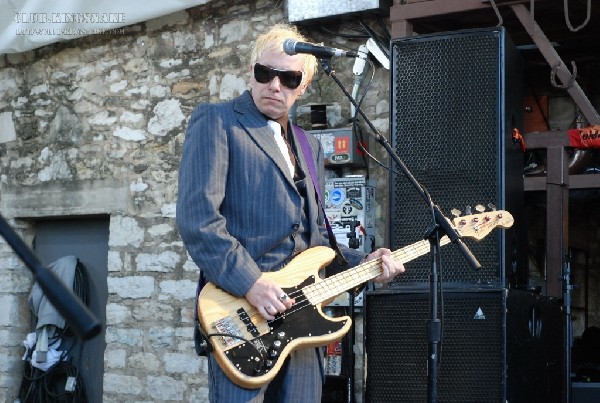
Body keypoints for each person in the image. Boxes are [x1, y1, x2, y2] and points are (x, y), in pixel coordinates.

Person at [176, 23, 405, 402]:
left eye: (288, 77)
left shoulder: (307, 146)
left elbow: (317, 243)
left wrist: (368, 265)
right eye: (265, 73)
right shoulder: (217, 121)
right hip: (242, 315)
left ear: (303, 86)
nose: (274, 85)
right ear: (251, 72)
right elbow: (198, 220)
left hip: (302, 327)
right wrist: (251, 283)